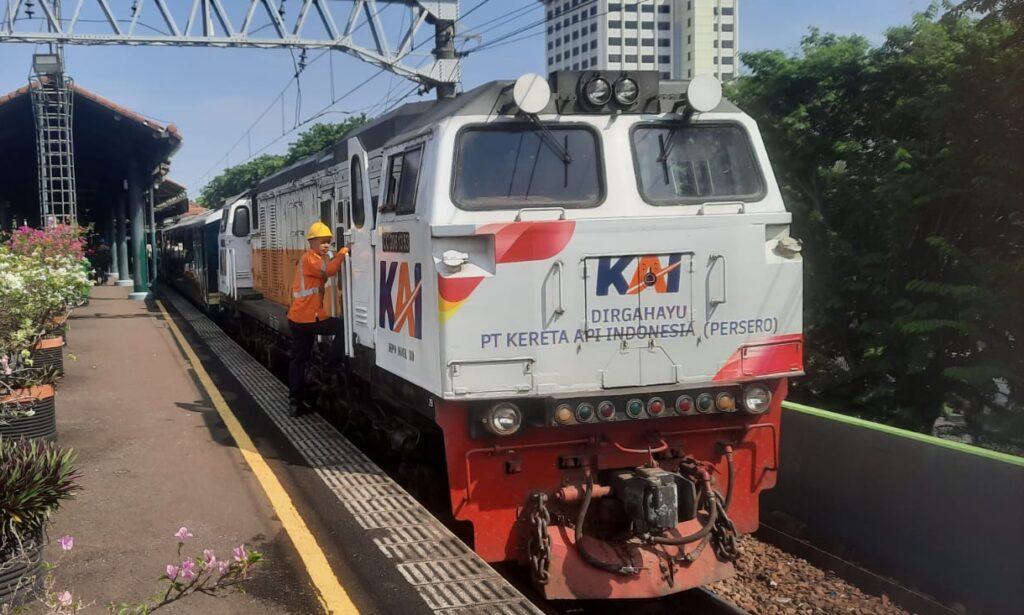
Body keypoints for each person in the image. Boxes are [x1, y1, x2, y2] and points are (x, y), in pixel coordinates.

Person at [287, 221, 349, 417]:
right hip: (308, 319)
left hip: (297, 318)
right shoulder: (310, 259)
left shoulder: (312, 259)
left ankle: (295, 403)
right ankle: (329, 364)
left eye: (328, 242)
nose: (326, 245)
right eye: (322, 242)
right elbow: (328, 271)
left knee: (299, 360)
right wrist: (343, 252)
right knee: (343, 328)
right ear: (311, 242)